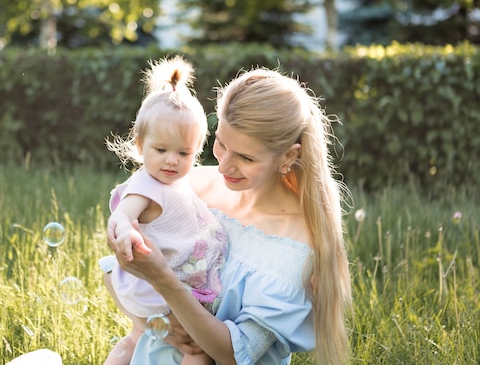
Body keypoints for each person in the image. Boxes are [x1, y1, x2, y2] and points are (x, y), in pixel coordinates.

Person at [106, 66, 353, 365]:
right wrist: (153, 323)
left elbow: (234, 355)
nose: (223, 167)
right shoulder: (189, 187)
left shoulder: (294, 248)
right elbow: (113, 272)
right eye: (221, 145)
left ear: (288, 156)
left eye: (246, 158)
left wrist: (163, 280)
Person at [102, 56, 227, 365]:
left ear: (196, 150)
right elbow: (123, 212)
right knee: (198, 349)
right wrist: (122, 229)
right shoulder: (145, 185)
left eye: (184, 152)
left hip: (163, 281)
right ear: (140, 144)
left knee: (136, 336)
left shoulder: (173, 180)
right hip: (161, 288)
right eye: (161, 151)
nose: (172, 160)